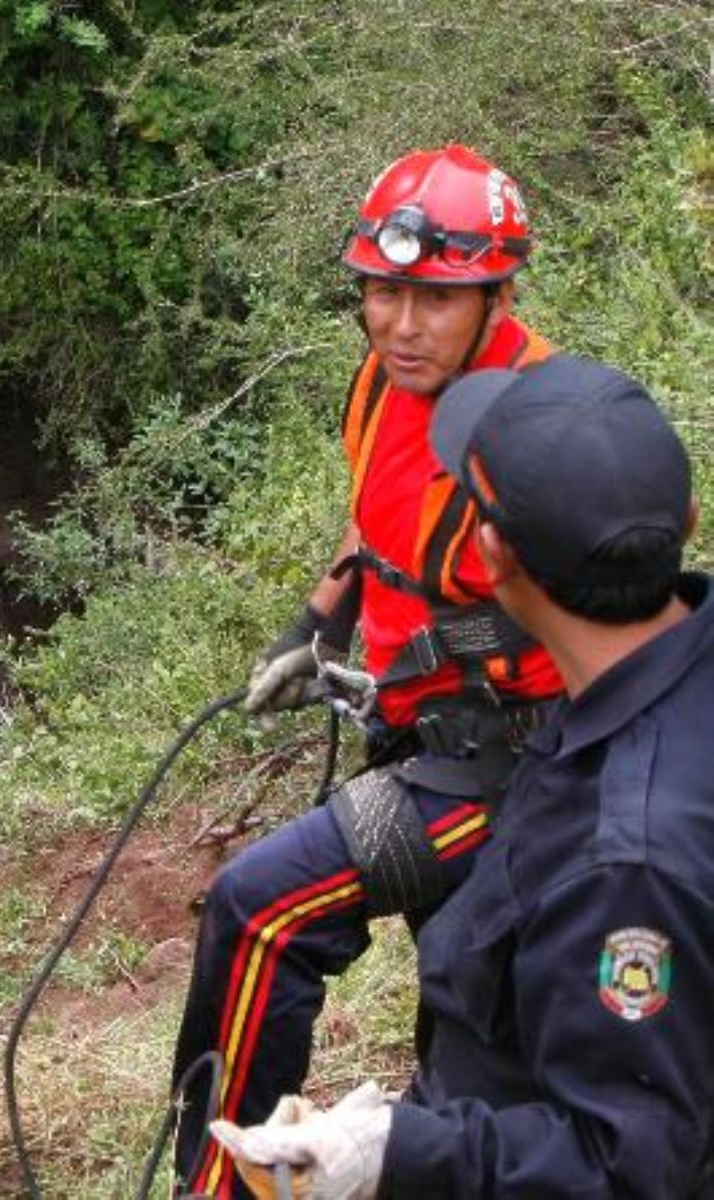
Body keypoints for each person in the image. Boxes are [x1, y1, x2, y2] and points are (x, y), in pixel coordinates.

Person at [212, 355, 714, 1198]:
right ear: (684, 522)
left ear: (492, 556)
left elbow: (626, 1166)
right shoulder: (654, 688)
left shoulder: (626, 863)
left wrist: (397, 1151)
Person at [171, 145, 567, 1197]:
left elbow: (616, 607)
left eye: (435, 300)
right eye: (383, 292)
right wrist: (317, 620)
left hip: (508, 767)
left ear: (497, 293)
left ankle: (218, 1187)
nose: (401, 324)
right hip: (419, 735)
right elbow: (372, 518)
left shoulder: (539, 433)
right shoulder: (383, 388)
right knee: (473, 1011)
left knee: (259, 914)